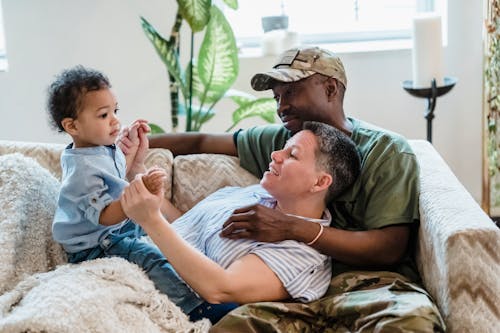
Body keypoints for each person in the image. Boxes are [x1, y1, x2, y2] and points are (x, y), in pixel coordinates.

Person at [120, 46, 445, 331]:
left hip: (369, 280)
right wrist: (127, 143)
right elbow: (202, 141)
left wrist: (292, 227)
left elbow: (389, 248)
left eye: (290, 92)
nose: (281, 106)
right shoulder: (282, 139)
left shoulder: (386, 152)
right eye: (277, 97)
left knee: (410, 323)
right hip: (279, 288)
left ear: (330, 88)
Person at [121, 121, 361, 324]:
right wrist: (137, 174)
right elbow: (184, 229)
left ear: (320, 183)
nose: (275, 155)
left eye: (292, 155)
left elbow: (220, 288)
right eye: (282, 149)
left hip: (151, 295)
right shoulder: (253, 194)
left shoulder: (302, 255)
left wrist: (151, 220)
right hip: (129, 254)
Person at [46, 65, 206, 317]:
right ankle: (193, 308)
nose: (115, 120)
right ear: (72, 126)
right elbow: (104, 216)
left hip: (112, 229)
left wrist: (130, 152)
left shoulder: (97, 149)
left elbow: (116, 174)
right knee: (152, 256)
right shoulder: (82, 171)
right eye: (103, 115)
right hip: (97, 243)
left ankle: (204, 275)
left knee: (172, 236)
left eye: (115, 111)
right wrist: (139, 190)